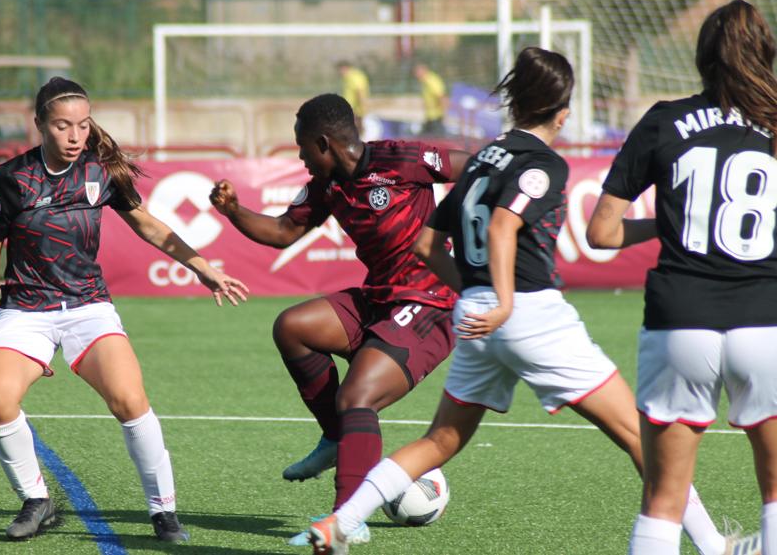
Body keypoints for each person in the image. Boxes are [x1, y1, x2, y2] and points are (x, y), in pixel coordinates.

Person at [308, 47, 755, 555]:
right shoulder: (544, 164)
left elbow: (426, 244)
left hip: (474, 313)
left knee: (440, 442)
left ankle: (341, 522)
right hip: (528, 313)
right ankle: (714, 546)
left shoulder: (481, 159)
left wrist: (475, 294)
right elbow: (503, 226)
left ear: (515, 103)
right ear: (562, 113)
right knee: (641, 436)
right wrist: (502, 299)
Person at [0, 76, 249, 541]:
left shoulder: (101, 173)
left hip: (88, 308)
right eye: (62, 126)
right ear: (39, 124)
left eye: (82, 125)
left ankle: (163, 512)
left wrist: (202, 266)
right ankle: (36, 500)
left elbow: (149, 225)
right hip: (26, 310)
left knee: (130, 401)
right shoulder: (12, 177)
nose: (75, 135)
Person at [209, 93, 469, 545]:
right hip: (380, 297)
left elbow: (475, 168)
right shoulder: (328, 185)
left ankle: (346, 520)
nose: (300, 156)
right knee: (293, 328)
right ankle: (336, 439)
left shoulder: (402, 158)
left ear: (323, 143)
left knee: (357, 396)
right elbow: (283, 230)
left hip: (430, 302)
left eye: (302, 147)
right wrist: (233, 211)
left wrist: (468, 233)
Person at [585, 0, 777, 555]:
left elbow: (601, 233)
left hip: (680, 320)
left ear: (701, 58)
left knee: (664, 500)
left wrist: (667, 225)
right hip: (764, 321)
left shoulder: (664, 119)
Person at [413, 63, 447, 137]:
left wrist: (444, 112)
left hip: (436, 116)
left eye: (417, 72)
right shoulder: (425, 81)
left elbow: (441, 96)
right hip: (430, 116)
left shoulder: (431, 81)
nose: (416, 75)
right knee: (425, 138)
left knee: (437, 139)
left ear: (424, 71)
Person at [337, 62, 370, 133]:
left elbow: (359, 92)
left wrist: (362, 106)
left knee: (355, 130)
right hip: (351, 109)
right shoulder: (348, 77)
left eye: (340, 70)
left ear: (345, 68)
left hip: (355, 109)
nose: (339, 73)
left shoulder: (354, 76)